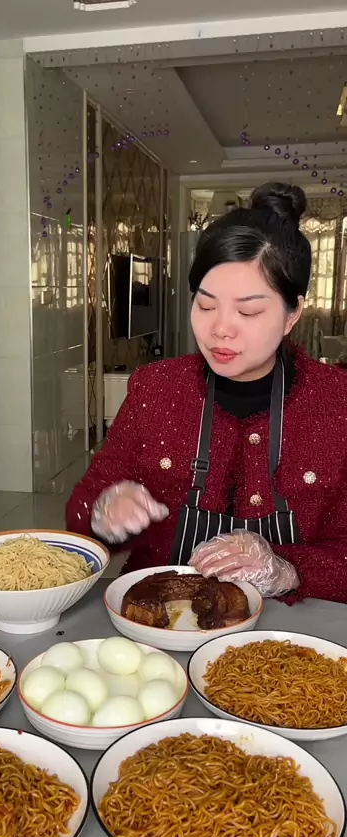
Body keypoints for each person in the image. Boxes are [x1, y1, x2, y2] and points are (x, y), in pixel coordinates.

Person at [66, 182, 347, 604]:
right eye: (206, 305)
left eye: (248, 311)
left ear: (293, 314)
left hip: (287, 631)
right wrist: (103, 513)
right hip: (155, 617)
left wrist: (288, 569)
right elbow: (82, 515)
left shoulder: (337, 403)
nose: (220, 329)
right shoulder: (155, 388)